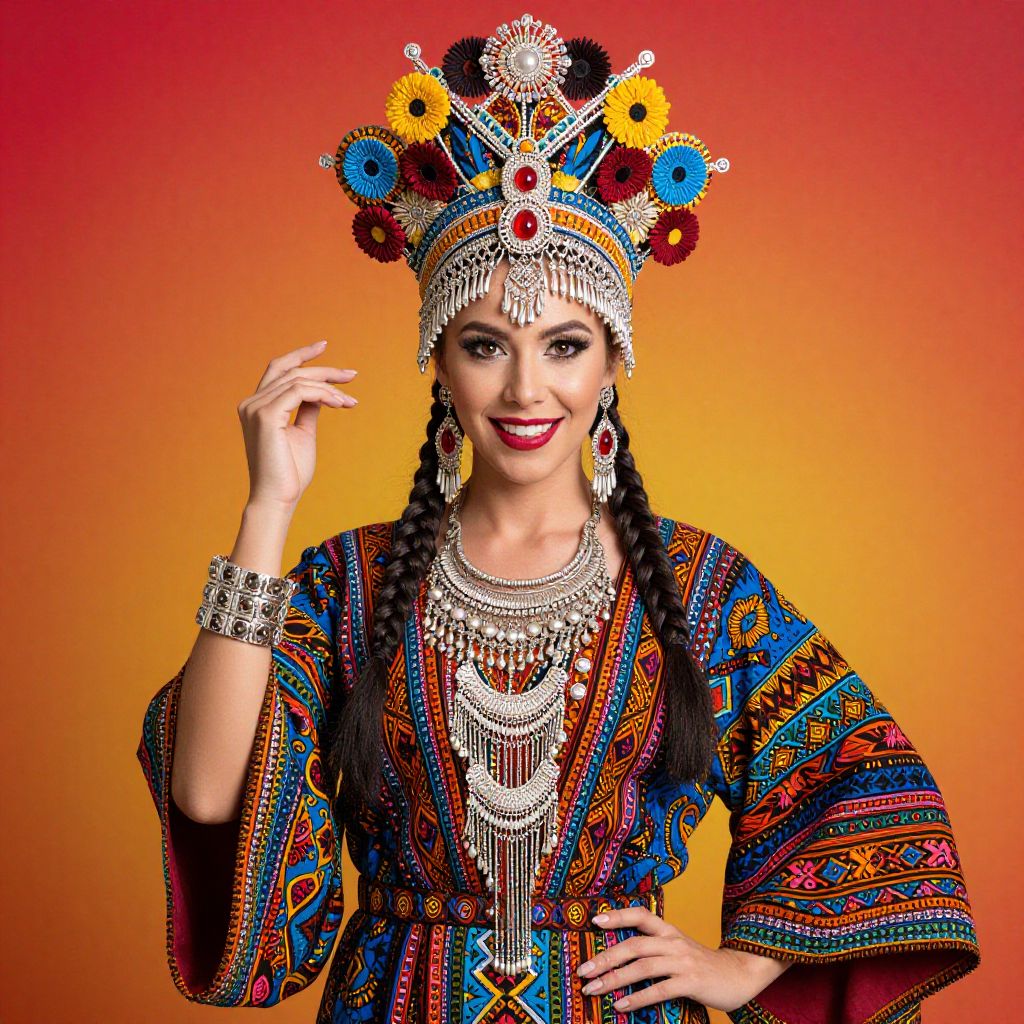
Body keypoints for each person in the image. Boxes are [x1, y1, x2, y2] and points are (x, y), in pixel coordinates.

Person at [137, 14, 980, 1022]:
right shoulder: (346, 581)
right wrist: (267, 506)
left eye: (566, 346)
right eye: (486, 345)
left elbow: (863, 780)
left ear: (614, 361)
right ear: (439, 363)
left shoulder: (699, 586)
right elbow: (204, 797)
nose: (527, 388)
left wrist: (744, 967)